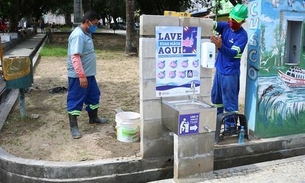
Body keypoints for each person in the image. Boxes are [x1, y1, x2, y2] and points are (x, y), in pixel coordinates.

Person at [67, 10, 108, 139]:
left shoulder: (86, 33)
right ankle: (74, 127)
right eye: (94, 24)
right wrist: (81, 75)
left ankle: (93, 118)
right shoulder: (78, 35)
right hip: (80, 76)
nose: (96, 26)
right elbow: (75, 57)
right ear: (87, 22)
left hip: (89, 74)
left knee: (94, 95)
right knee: (75, 99)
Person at [210, 4, 248, 131]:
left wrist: (220, 46)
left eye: (235, 21)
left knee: (230, 102)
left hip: (230, 73)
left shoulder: (242, 36)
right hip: (219, 70)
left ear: (242, 21)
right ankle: (217, 123)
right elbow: (213, 25)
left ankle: (230, 128)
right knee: (216, 99)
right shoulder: (225, 26)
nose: (231, 22)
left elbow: (232, 54)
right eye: (231, 19)